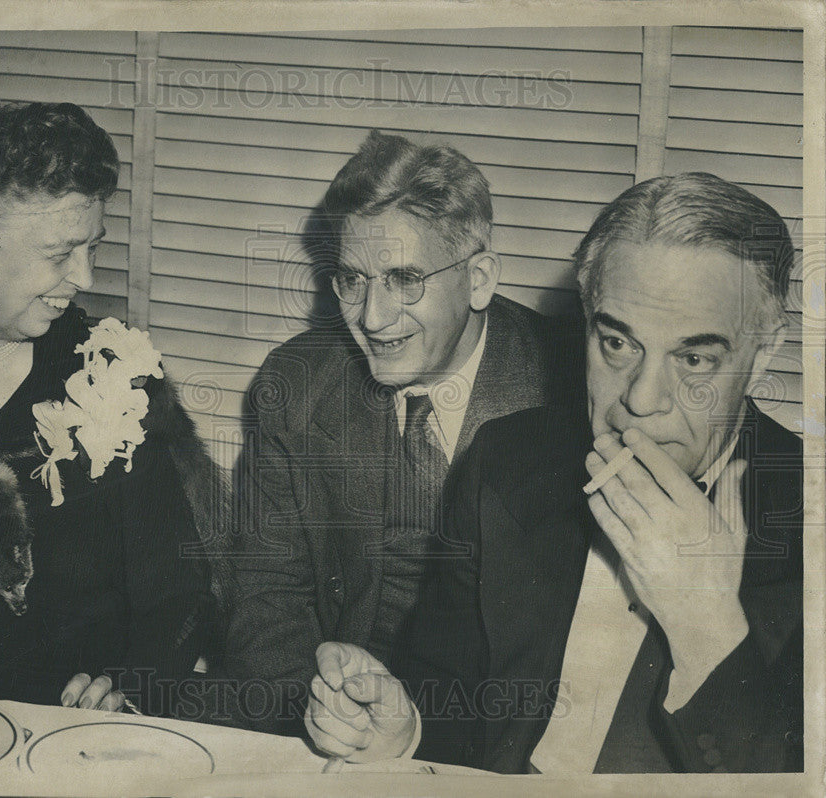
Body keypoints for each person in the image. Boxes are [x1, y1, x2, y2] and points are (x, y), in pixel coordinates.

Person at [304, 172, 803, 773]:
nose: (642, 400)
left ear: (764, 353)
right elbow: (449, 703)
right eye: (618, 344)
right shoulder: (507, 461)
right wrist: (404, 733)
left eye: (694, 358)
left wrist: (707, 627)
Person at [0, 102, 230, 716]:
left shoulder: (110, 378)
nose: (83, 276)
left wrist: (128, 688)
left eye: (92, 247)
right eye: (59, 255)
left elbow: (175, 589)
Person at [223, 130, 576, 733]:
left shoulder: (572, 394)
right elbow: (263, 594)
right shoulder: (295, 384)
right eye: (352, 280)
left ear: (479, 278)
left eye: (405, 278)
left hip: (491, 737)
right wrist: (326, 714)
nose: (372, 318)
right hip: (336, 716)